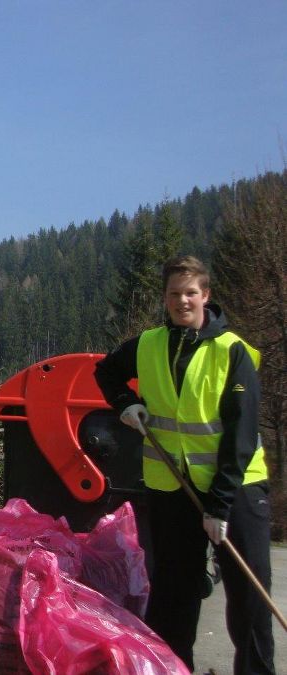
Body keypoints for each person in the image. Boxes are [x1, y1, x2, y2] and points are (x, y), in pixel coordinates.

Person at [94, 255, 275, 675]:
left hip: (236, 490)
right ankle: (173, 669)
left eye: (190, 293)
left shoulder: (232, 352)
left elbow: (242, 434)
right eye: (174, 294)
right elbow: (106, 373)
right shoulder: (150, 343)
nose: (182, 302)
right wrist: (127, 405)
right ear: (165, 298)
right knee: (174, 595)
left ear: (206, 296)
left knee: (248, 596)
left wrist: (220, 505)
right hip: (172, 488)